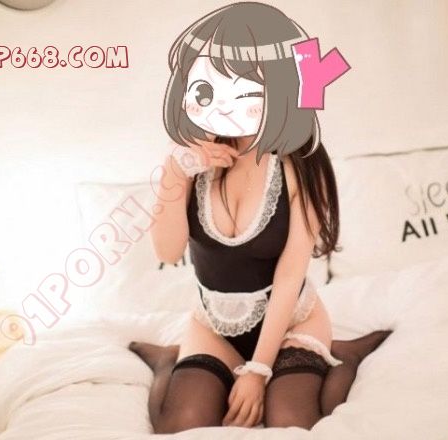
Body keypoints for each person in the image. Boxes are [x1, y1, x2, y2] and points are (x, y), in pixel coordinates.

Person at [128, 2, 393, 434]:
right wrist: (175, 170)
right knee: (182, 424)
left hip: (291, 322)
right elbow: (167, 251)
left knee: (289, 419)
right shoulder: (192, 160)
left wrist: (258, 370)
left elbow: (290, 276)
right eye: (208, 87)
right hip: (213, 324)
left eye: (245, 87)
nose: (224, 104)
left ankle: (346, 355)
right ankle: (165, 360)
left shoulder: (299, 162)